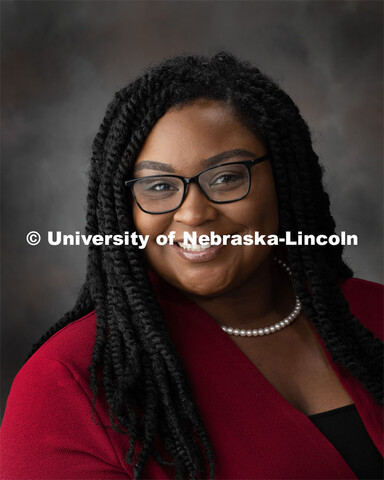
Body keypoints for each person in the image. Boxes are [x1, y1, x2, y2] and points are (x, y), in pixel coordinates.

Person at [1, 52, 383, 480]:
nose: (194, 213)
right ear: (125, 210)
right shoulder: (66, 385)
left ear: (285, 180)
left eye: (225, 177)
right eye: (160, 186)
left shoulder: (373, 313)